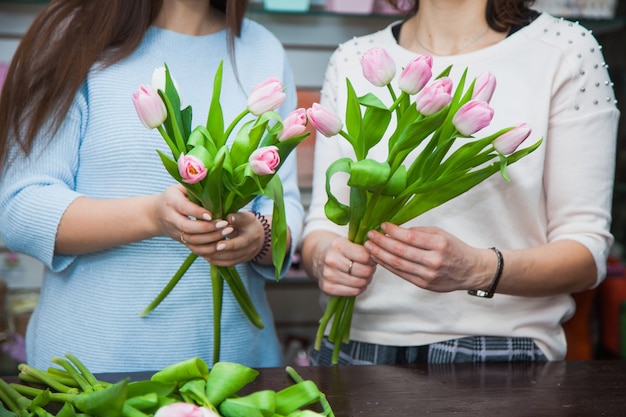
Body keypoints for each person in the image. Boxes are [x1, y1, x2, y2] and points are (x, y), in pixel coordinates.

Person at [302, 0, 619, 365]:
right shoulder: (355, 56)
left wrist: (478, 269)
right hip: (351, 344)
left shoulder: (564, 50)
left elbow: (587, 251)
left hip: (498, 351)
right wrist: (326, 257)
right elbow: (323, 229)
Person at [0, 0, 304, 373]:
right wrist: (153, 217)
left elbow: (284, 204)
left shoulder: (262, 48)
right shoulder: (72, 33)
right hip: (94, 373)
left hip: (236, 370)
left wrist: (260, 235)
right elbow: (21, 208)